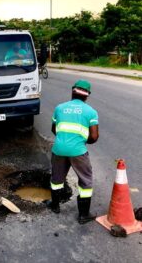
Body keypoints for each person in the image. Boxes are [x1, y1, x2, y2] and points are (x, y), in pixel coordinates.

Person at [48, 79, 99, 224]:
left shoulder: (59, 108)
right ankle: (83, 215)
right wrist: (81, 141)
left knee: (57, 179)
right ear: (87, 95)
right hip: (78, 151)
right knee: (86, 181)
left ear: (72, 91)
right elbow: (94, 137)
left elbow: (54, 129)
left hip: (58, 149)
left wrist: (65, 139)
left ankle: (55, 206)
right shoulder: (91, 112)